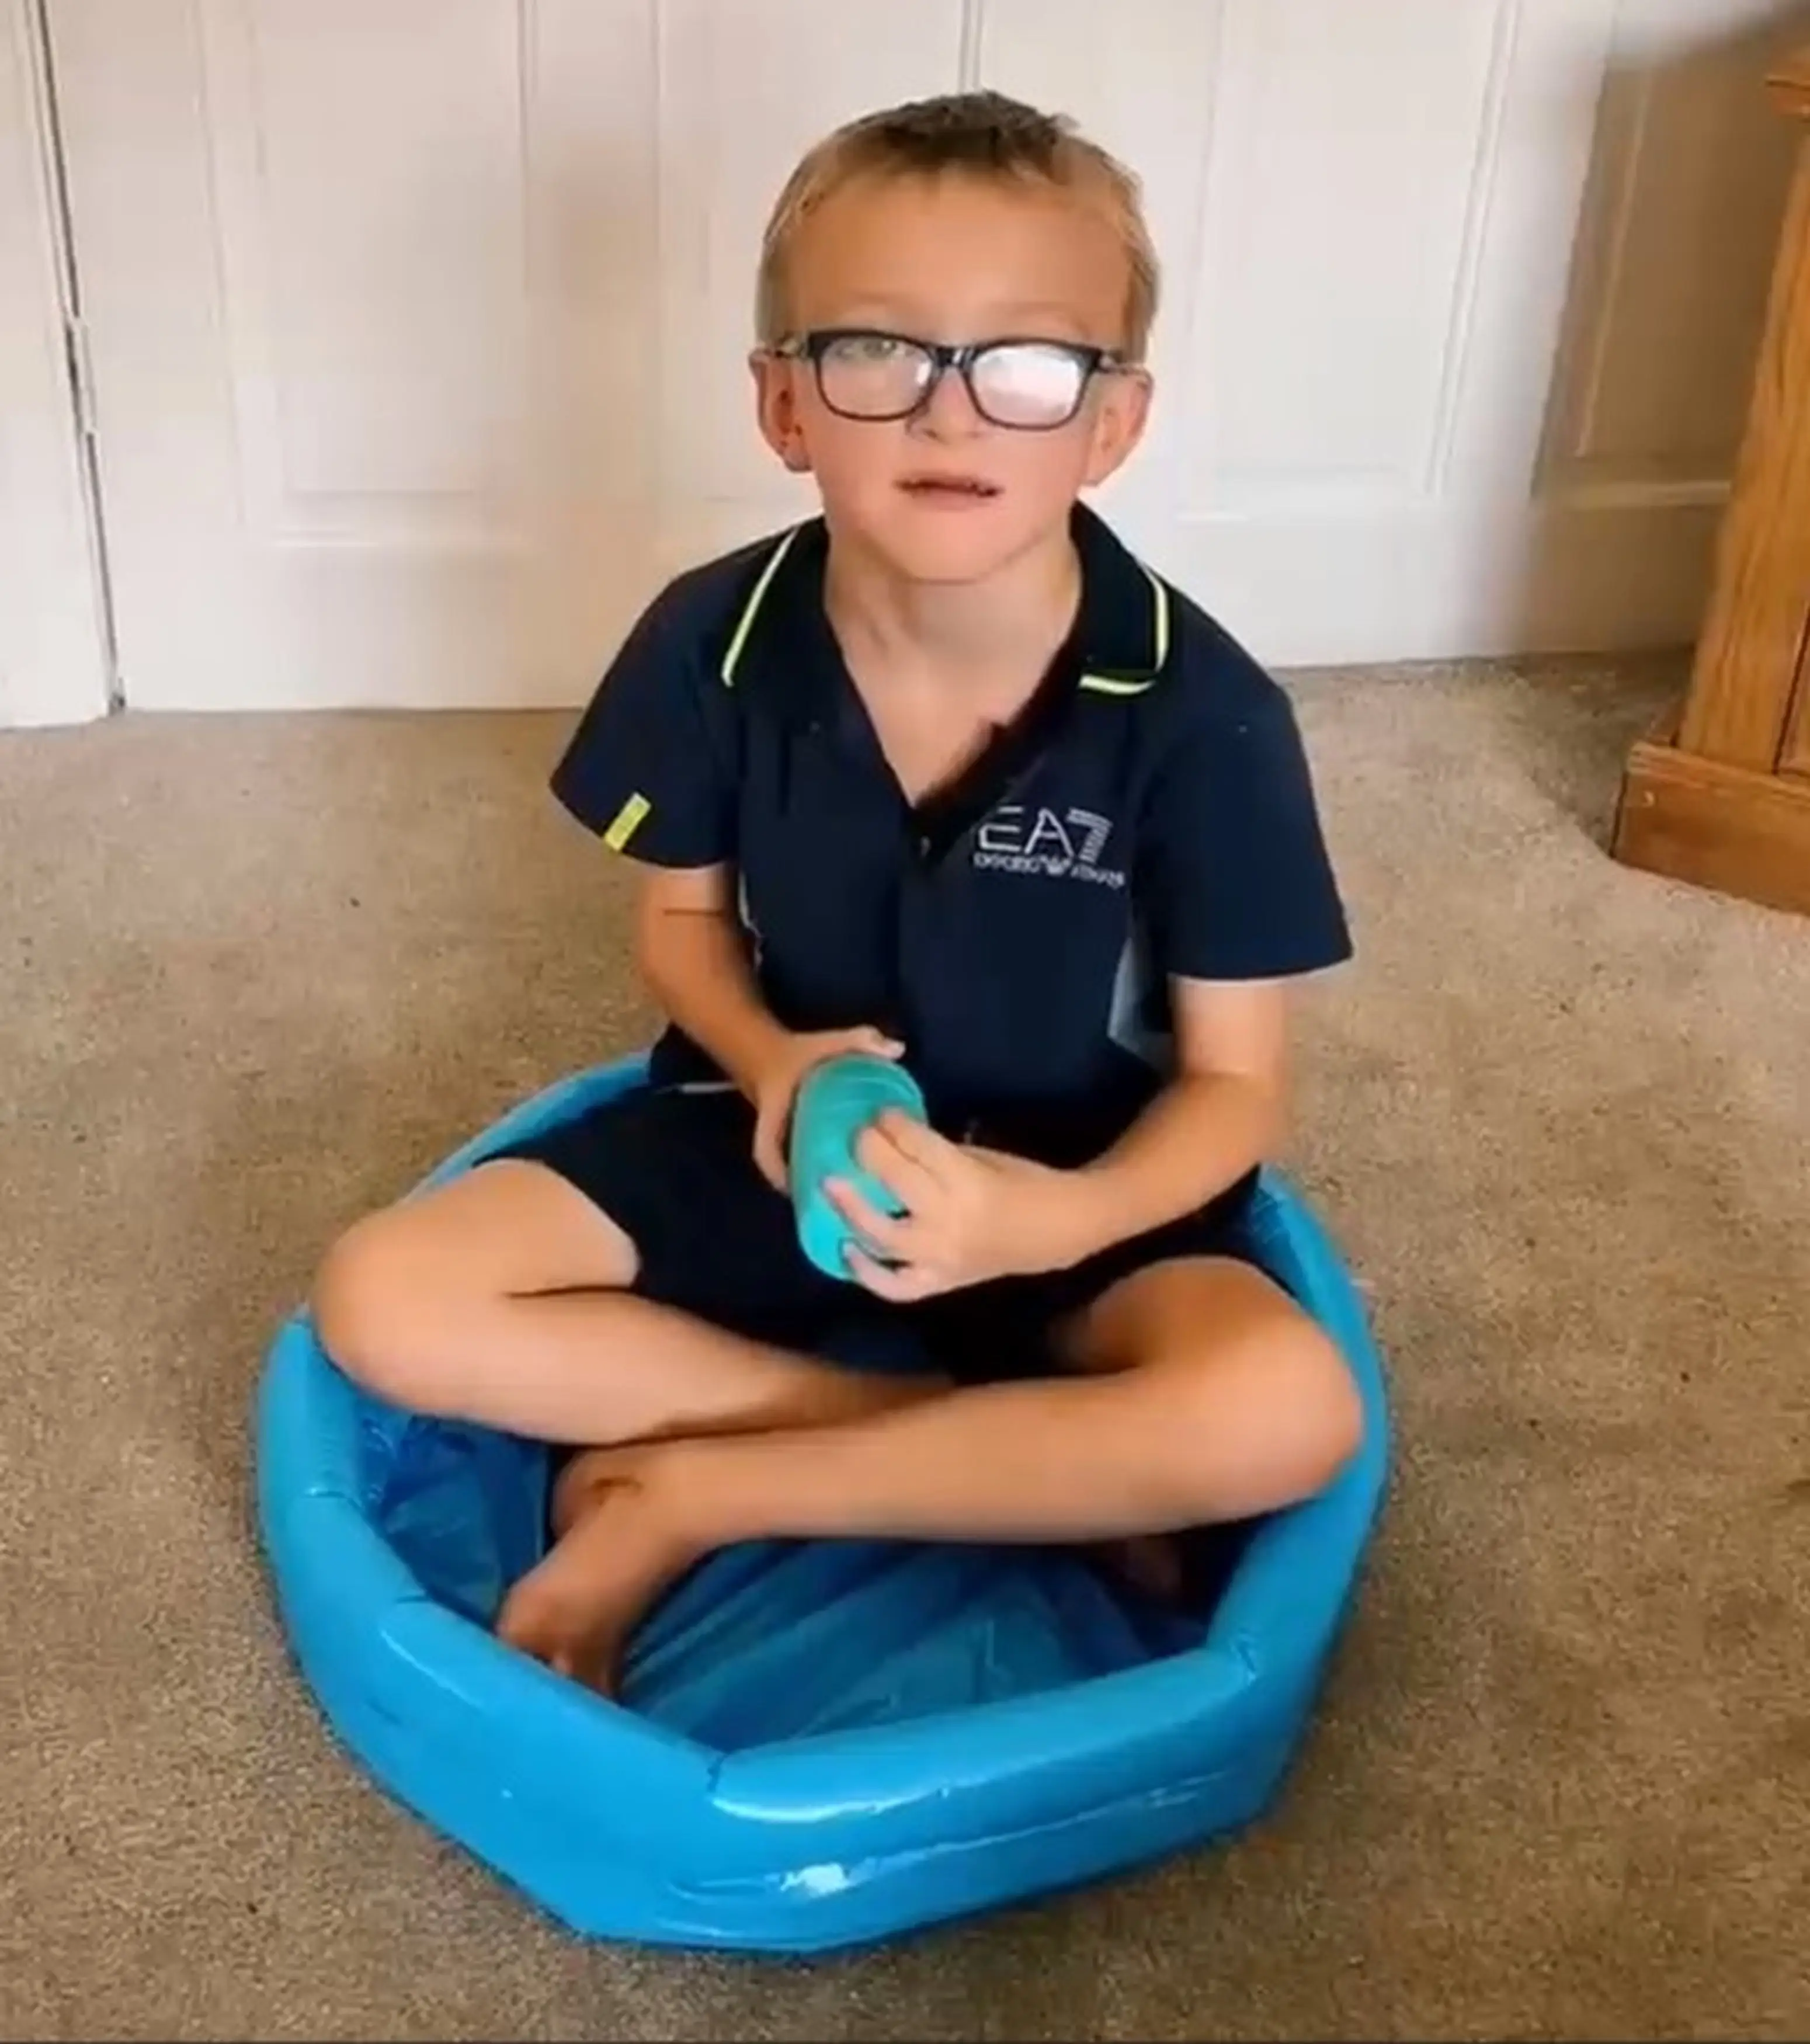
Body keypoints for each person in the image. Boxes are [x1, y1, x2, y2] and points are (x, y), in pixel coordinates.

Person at [311, 89, 1365, 1695]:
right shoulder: (708, 638)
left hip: (1065, 1197)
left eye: (1024, 365)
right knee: (381, 1293)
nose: (950, 418)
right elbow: (679, 926)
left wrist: (1051, 1215)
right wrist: (774, 1056)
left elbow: (1233, 1090)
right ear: (785, 406)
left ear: (1114, 422)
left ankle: (703, 1485)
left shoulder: (1208, 715)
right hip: (765, 1132)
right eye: (876, 353)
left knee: (1291, 1408)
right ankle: (987, 1460)